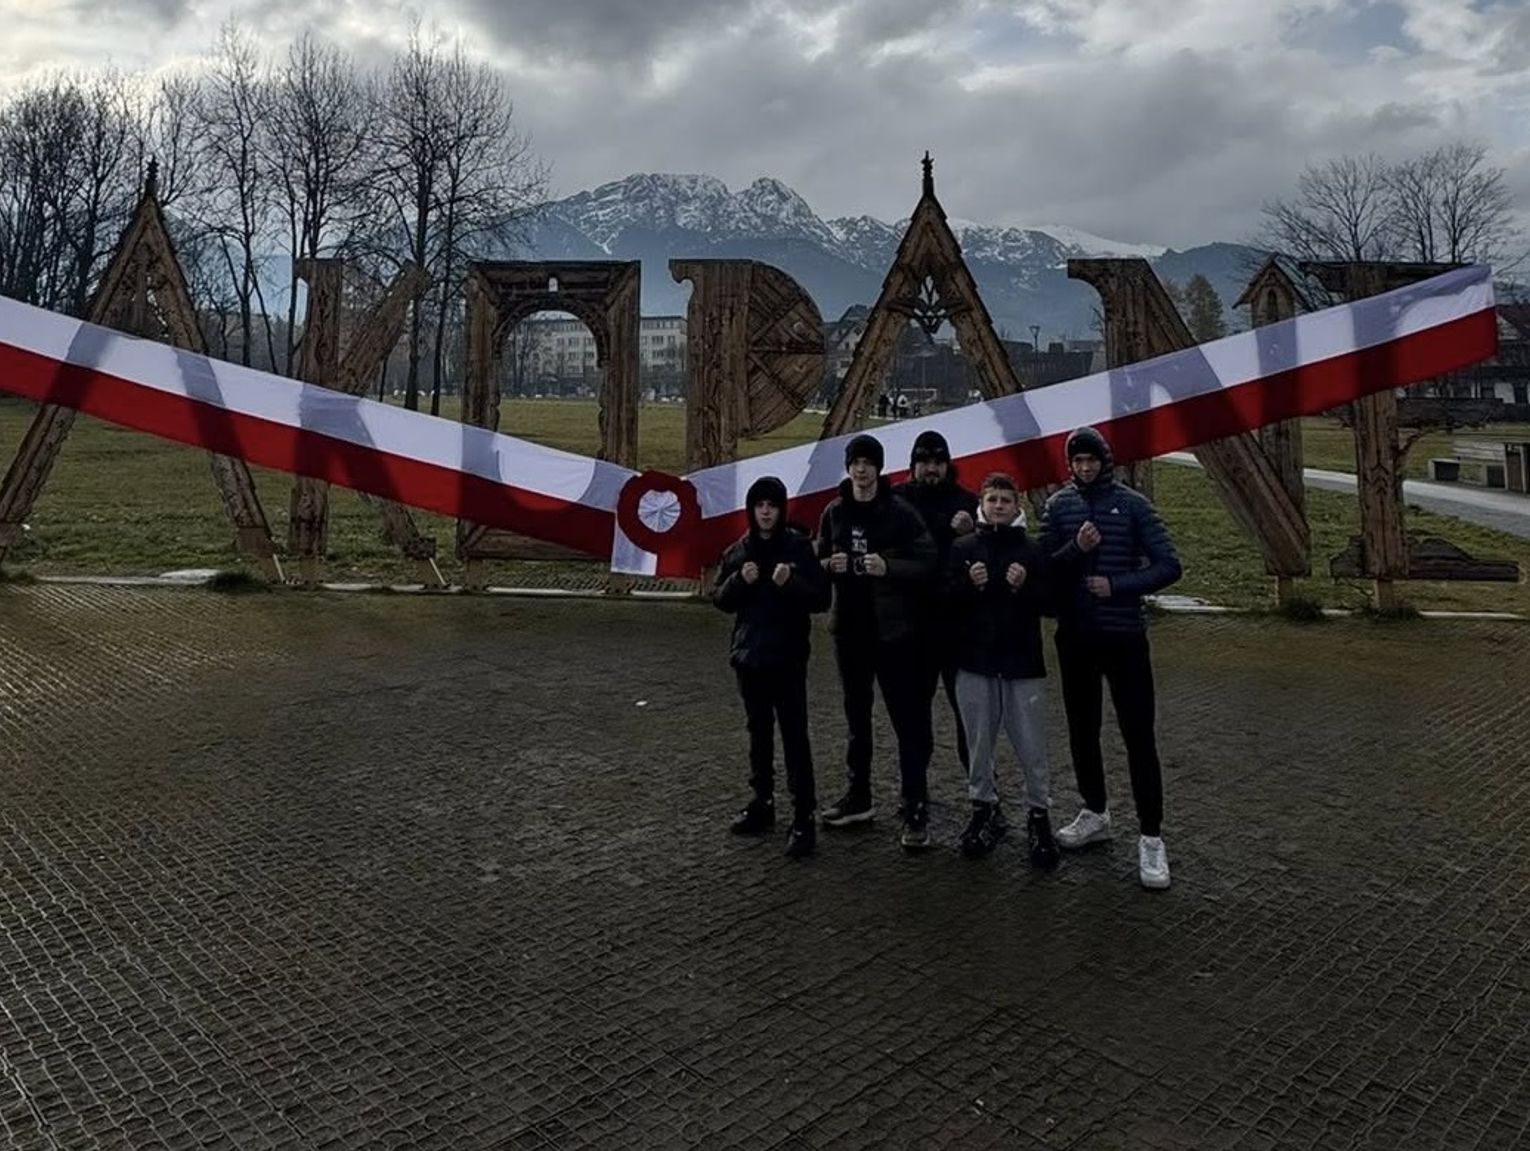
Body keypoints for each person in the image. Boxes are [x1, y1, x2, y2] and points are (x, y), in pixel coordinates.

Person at [1038, 426, 1182, 889]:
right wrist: (1075, 549)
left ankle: (1152, 838)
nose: (1084, 468)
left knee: (1138, 735)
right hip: (1077, 635)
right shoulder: (1060, 506)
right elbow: (1046, 568)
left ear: (1105, 460)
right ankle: (1094, 811)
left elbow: (1168, 564)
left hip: (1123, 636)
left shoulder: (1134, 505)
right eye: (1076, 462)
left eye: (1090, 460)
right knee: (1083, 731)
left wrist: (1117, 585)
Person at [815, 433, 939, 850]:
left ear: (879, 469)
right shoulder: (834, 511)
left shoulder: (899, 513)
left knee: (906, 720)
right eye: (856, 463)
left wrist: (889, 567)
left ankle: (915, 803)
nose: (862, 470)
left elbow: (927, 561)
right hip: (849, 631)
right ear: (848, 467)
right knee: (856, 720)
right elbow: (817, 560)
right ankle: (859, 796)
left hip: (891, 633)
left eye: (869, 463)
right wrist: (825, 565)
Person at [946, 472, 1063, 865]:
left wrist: (1024, 586)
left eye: (1006, 500)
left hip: (1021, 664)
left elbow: (1052, 603)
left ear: (1017, 507)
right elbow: (942, 599)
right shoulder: (963, 548)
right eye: (992, 499)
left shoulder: (1032, 552)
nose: (998, 506)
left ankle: (1038, 815)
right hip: (974, 662)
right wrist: (967, 583)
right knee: (978, 745)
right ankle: (982, 810)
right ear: (982, 503)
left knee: (1031, 746)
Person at [713, 476, 832, 858]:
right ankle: (762, 800)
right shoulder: (739, 550)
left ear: (782, 510)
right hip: (750, 657)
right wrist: (738, 582)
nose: (766, 512)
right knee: (758, 733)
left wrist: (792, 582)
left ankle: (803, 815)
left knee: (795, 737)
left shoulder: (797, 548)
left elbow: (820, 599)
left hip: (787, 657)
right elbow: (720, 599)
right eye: (760, 505)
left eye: (772, 506)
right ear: (752, 509)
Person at [893, 429, 978, 778]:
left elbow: (989, 553)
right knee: (913, 715)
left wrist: (972, 532)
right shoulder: (896, 502)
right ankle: (914, 791)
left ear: (948, 465)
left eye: (938, 462)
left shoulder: (967, 503)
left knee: (969, 715)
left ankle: (982, 792)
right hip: (911, 625)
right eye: (924, 462)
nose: (931, 469)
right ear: (913, 465)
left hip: (956, 626)